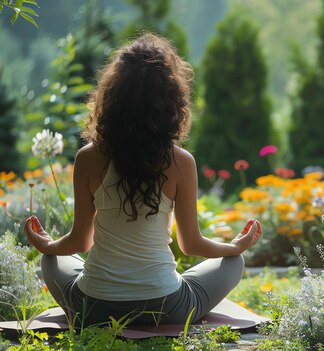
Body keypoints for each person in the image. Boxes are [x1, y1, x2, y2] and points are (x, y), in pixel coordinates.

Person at [23, 33, 263, 327]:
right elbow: (190, 244)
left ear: (111, 97)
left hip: (95, 308)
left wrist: (47, 245)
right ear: (171, 101)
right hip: (166, 307)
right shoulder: (181, 162)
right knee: (233, 264)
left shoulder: (88, 157)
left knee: (51, 260)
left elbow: (80, 241)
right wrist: (234, 248)